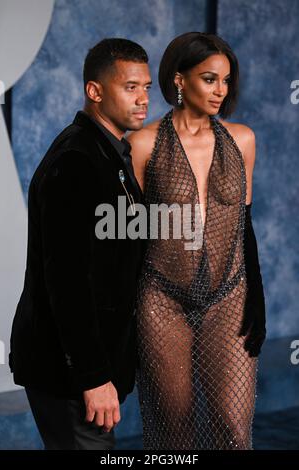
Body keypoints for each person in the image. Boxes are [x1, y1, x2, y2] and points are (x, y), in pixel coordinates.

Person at [9, 38, 151, 450]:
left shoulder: (110, 153)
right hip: (68, 372)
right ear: (95, 91)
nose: (143, 99)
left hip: (93, 366)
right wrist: (92, 376)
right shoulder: (76, 161)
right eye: (130, 88)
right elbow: (67, 281)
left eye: (145, 87)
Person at [128, 32, 266, 450]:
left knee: (233, 428)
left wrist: (255, 294)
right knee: (175, 431)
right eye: (209, 79)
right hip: (161, 298)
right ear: (179, 80)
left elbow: (245, 222)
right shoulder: (142, 144)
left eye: (225, 81)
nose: (220, 90)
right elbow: (131, 237)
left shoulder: (242, 140)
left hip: (229, 294)